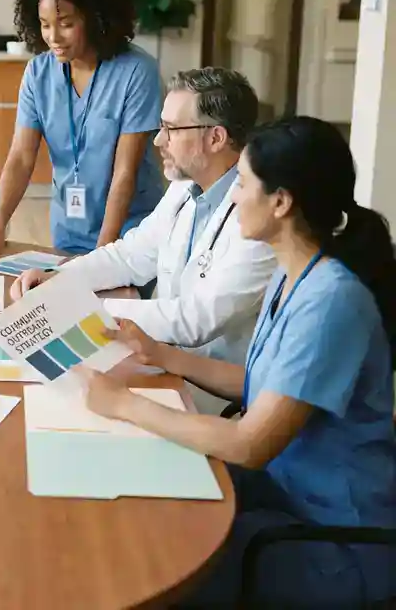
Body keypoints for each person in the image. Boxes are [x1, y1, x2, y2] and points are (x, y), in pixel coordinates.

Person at [78, 117, 396, 607]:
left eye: (243, 185)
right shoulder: (296, 273)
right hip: (282, 499)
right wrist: (163, 356)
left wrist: (123, 404)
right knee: (141, 499)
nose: (231, 197)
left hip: (328, 539)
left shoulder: (331, 301)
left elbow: (250, 445)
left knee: (156, 557)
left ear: (281, 202)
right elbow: (260, 383)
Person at [12, 68, 277, 371]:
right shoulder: (182, 189)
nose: (158, 141)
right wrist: (61, 279)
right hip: (154, 357)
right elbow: (130, 256)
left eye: (171, 129)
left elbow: (196, 320)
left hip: (205, 388)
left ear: (216, 138)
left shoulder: (258, 216)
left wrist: (85, 306)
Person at [0, 0, 164, 271]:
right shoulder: (38, 73)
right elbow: (21, 157)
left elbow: (124, 173)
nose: (53, 37)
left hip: (129, 231)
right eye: (45, 25)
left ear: (97, 18)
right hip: (69, 227)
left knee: (113, 315)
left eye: (66, 24)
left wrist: (103, 257)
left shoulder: (136, 71)